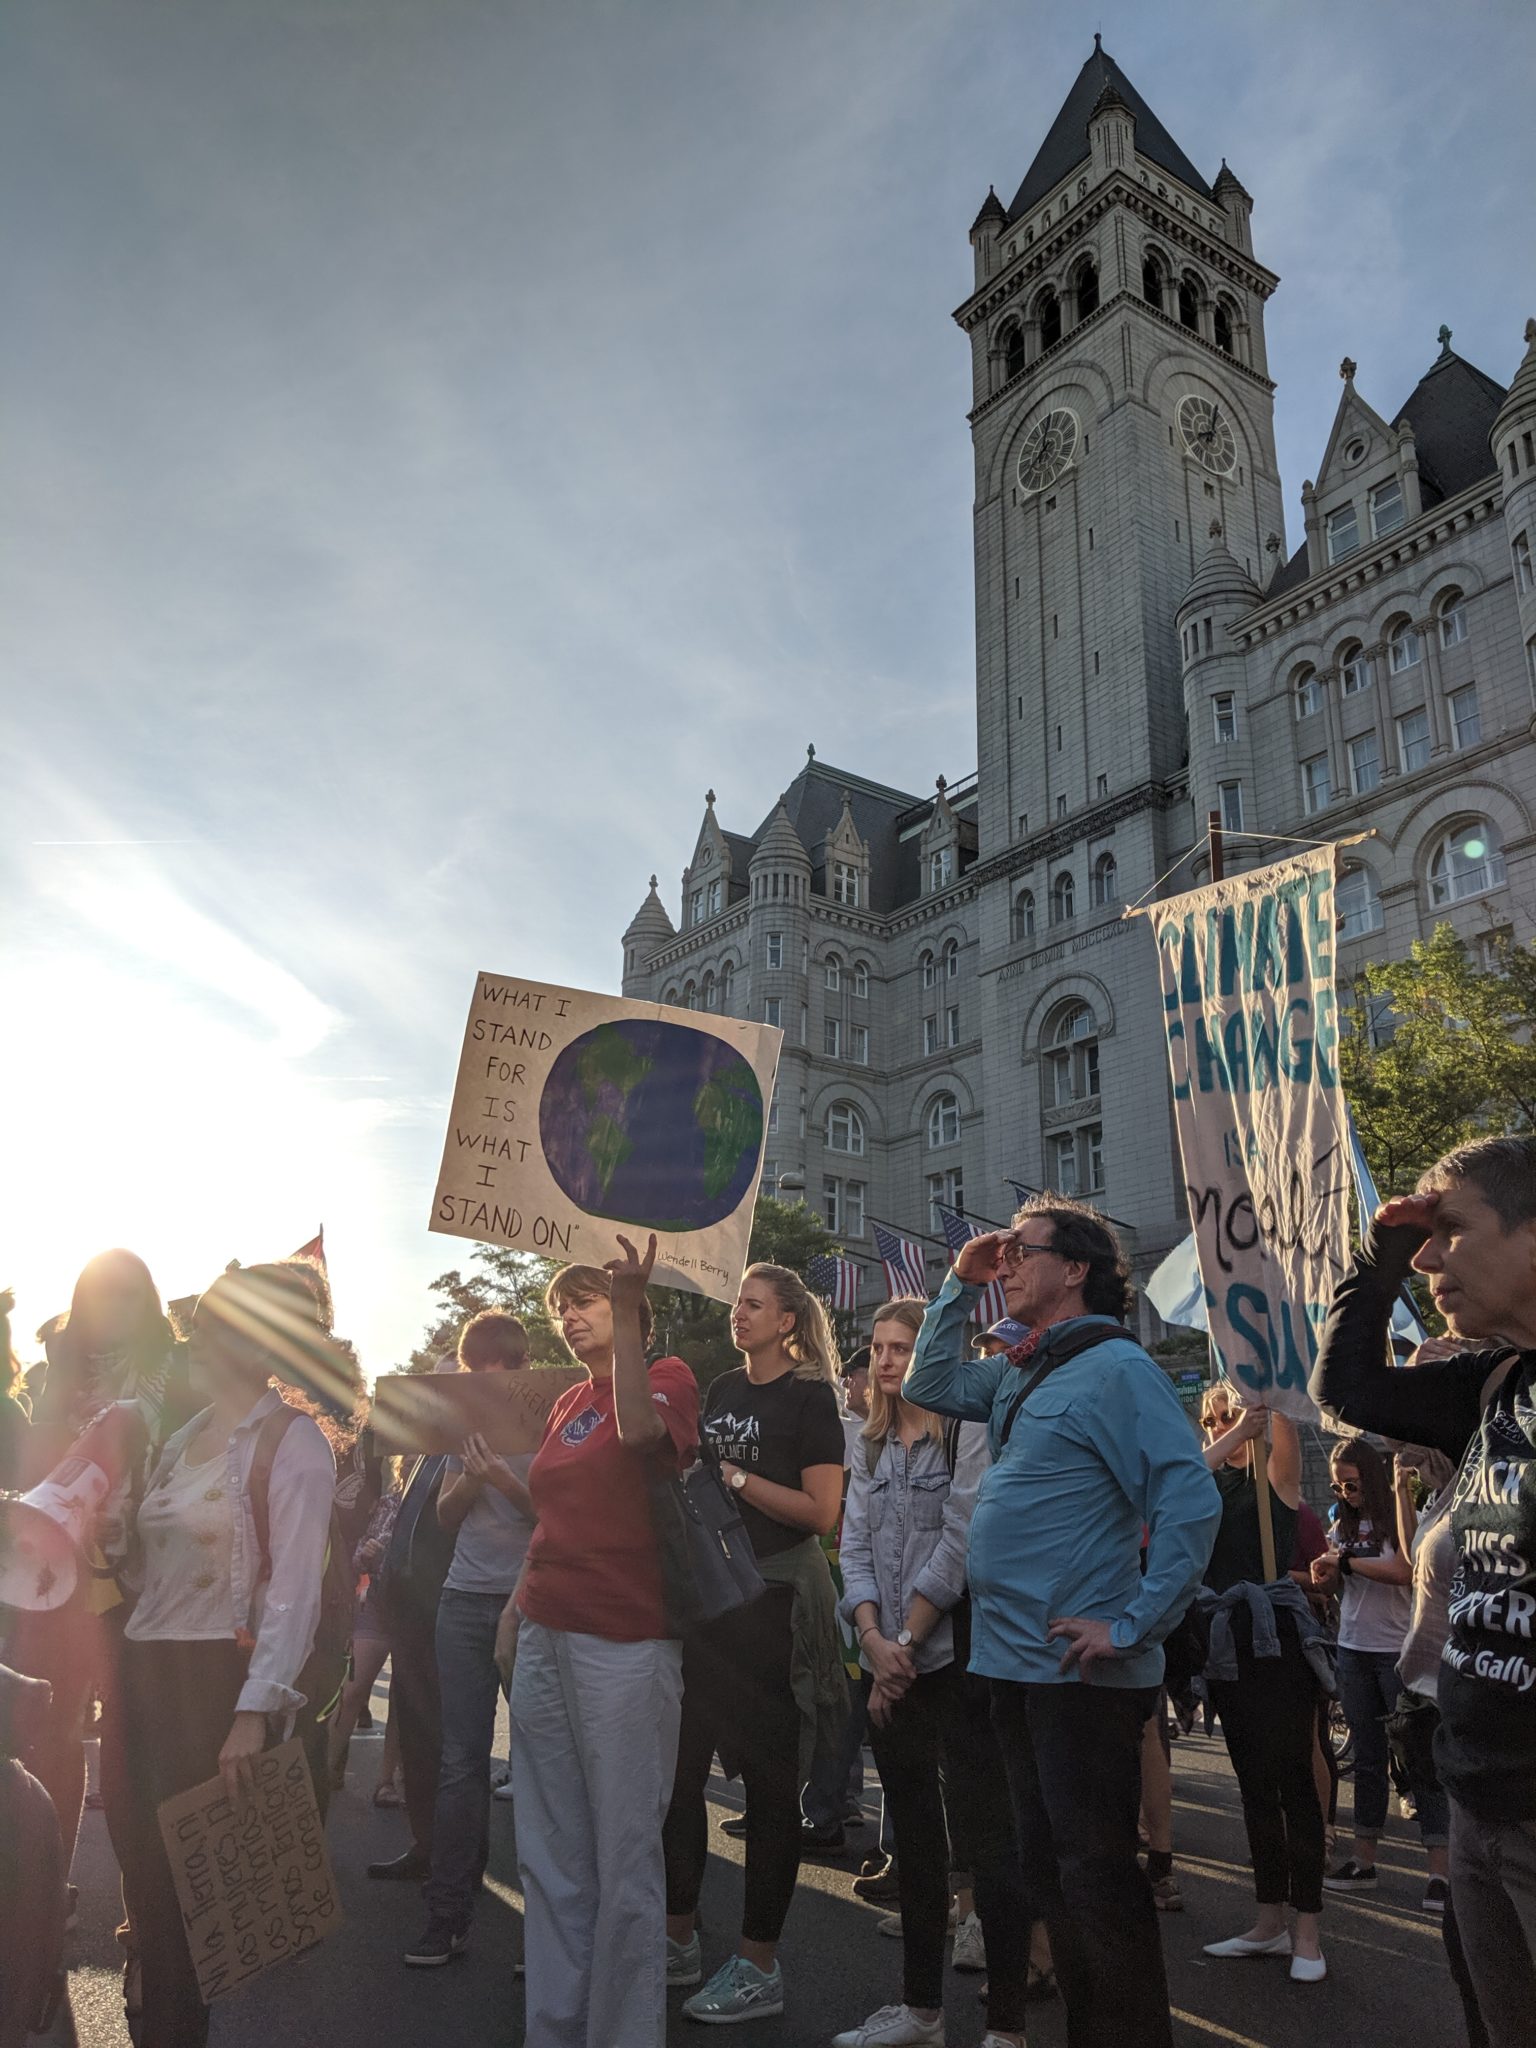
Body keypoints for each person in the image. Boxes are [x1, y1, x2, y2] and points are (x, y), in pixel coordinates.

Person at [903, 1195, 1220, 2048]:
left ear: (1075, 1269)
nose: (1004, 1264)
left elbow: (1189, 1497)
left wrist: (1131, 1624)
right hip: (1014, 1669)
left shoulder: (1118, 1370)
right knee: (1049, 1877)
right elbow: (927, 1384)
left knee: (1097, 1886)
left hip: (1082, 1679)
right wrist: (955, 1287)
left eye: (1020, 1253)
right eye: (1001, 1255)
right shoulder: (1023, 1369)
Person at [1310, 1134, 1536, 2048]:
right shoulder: (1496, 1383)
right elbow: (1348, 1384)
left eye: (1449, 1232)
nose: (1429, 1258)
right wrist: (1380, 1259)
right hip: (1479, 1798)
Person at [104, 1262, 362, 2048]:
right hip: (141, 1673)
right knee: (146, 1895)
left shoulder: (295, 1442)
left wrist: (255, 1713)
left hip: (215, 1683)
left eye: (214, 1326)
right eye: (200, 1323)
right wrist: (111, 1533)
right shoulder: (179, 1437)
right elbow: (154, 1573)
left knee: (191, 1914)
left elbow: (293, 1593)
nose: (195, 1336)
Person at [508, 1238, 698, 2048]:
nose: (568, 1317)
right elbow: (549, 1514)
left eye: (583, 1300)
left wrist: (622, 1310)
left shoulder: (668, 1377)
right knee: (549, 1856)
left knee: (623, 1860)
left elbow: (636, 1435)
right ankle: (554, 2032)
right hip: (546, 1629)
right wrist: (517, 1609)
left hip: (624, 1638)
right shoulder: (562, 1403)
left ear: (631, 1309)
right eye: (562, 1307)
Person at [833, 1298, 1030, 2048]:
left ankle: (1006, 2027)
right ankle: (920, 2011)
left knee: (988, 1843)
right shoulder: (871, 1443)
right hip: (890, 1663)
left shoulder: (966, 1431)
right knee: (913, 1844)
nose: (885, 1361)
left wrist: (902, 1646)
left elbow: (962, 1542)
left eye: (903, 1347)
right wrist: (871, 1637)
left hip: (956, 1668)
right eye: (878, 1347)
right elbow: (852, 1547)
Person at [664, 1263, 846, 2025]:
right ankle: (677, 1939)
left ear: (788, 1323)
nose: (738, 1313)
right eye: (737, 1302)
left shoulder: (811, 1399)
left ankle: (758, 1965)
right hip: (710, 1603)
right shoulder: (721, 1392)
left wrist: (734, 1479)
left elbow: (822, 1512)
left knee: (772, 1791)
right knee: (679, 1778)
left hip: (774, 1603)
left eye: (754, 1304)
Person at [6, 1252, 186, 1896]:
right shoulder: (54, 1370)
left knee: (131, 1756)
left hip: (144, 1580)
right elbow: (31, 1468)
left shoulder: (178, 1374)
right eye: (98, 1296)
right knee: (48, 1734)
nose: (112, 1309)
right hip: (53, 1582)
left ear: (150, 1304)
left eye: (128, 1295)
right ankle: (47, 1895)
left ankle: (144, 1923)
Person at [405, 1309, 537, 1966]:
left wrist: (504, 1476)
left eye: (495, 1376)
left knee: (540, 1765)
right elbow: (446, 1515)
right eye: (472, 1377)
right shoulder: (463, 1428)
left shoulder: (544, 1420)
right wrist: (471, 1474)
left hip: (530, 1603)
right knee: (461, 1761)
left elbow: (551, 1513)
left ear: (518, 1370)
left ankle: (550, 1929)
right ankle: (448, 1911)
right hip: (462, 1599)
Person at [1194, 1390, 1328, 1982]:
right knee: (1252, 1786)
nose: (1221, 1426)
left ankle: (1308, 1933)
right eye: (1211, 1419)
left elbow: (1283, 1428)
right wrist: (1228, 1436)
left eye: (1227, 1414)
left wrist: (1262, 1401)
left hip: (1278, 1645)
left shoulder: (1274, 1486)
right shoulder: (1209, 1486)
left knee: (1293, 1783)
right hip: (1229, 1647)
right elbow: (1176, 1478)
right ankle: (1268, 1921)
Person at [1309, 1438, 1425, 1894]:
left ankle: (1440, 1871)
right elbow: (1342, 1576)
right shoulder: (1343, 1521)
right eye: (1338, 1487)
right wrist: (1327, 1570)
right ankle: (1363, 1861)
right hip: (1353, 1645)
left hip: (1395, 1649)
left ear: (1370, 1478)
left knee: (1416, 1758)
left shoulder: (1395, 1514)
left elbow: (1406, 1570)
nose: (1344, 1493)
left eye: (1351, 1484)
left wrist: (1348, 1562)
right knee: (1368, 1761)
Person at [366, 1349, 462, 1884]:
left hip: (447, 1610)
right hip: (407, 1611)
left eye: (453, 1386)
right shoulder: (423, 1452)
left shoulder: (469, 1451)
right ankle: (425, 1845)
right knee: (420, 1738)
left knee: (450, 1743)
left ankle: (450, 1860)